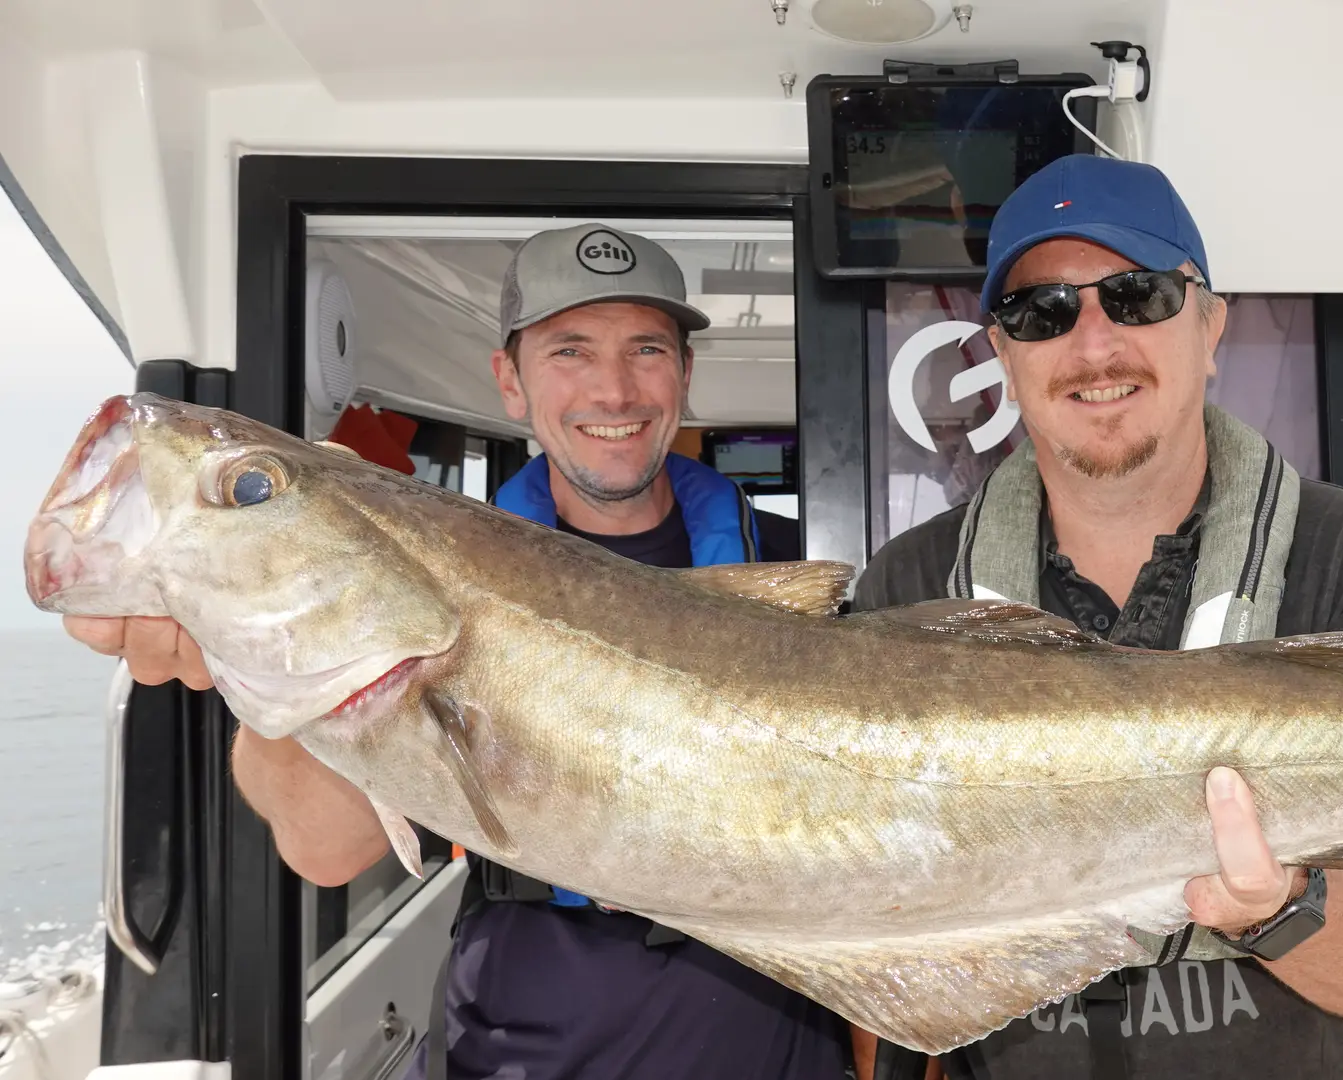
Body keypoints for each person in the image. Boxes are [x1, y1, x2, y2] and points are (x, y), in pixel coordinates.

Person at [64, 223, 850, 1080]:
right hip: (524, 1044)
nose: (614, 388)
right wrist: (250, 653)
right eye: (571, 351)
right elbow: (327, 851)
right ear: (509, 382)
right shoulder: (414, 582)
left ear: (684, 376)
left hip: (775, 1045)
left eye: (647, 349)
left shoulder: (803, 575)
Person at [847, 154, 1343, 1080]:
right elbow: (884, 962)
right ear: (1003, 354)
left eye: (1135, 296)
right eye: (1042, 312)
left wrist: (1279, 906)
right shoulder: (907, 586)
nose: (1094, 344)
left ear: (1210, 324)